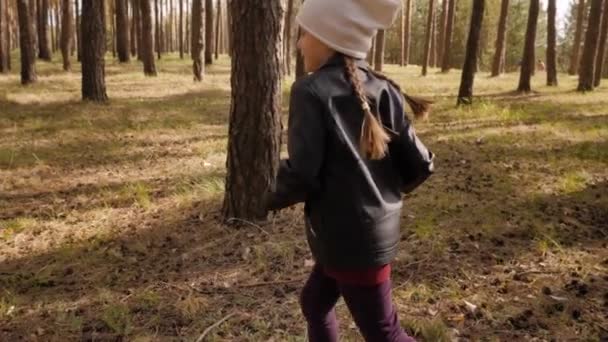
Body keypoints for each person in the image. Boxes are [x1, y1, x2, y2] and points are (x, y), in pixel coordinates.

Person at [266, 0, 435, 341]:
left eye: (304, 34)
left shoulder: (310, 91)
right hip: (363, 237)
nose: (299, 44)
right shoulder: (383, 87)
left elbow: (303, 174)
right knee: (315, 303)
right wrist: (380, 197)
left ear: (329, 37)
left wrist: (258, 197)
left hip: (349, 242)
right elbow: (418, 165)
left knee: (385, 333)